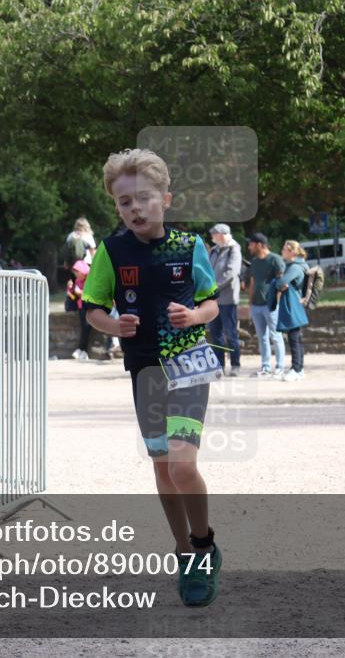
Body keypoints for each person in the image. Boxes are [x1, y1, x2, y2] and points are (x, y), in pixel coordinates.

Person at [82, 148, 222, 607]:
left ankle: (203, 545)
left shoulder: (190, 246)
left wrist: (193, 315)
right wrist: (113, 326)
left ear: (167, 199)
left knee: (183, 464)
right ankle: (183, 551)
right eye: (125, 202)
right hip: (144, 367)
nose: (135, 208)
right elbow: (94, 309)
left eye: (144, 198)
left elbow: (212, 304)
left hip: (188, 362)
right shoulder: (111, 250)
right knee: (163, 467)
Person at [244, 232, 285, 378]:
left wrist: (276, 301)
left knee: (276, 335)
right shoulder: (254, 262)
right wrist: (250, 303)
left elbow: (282, 283)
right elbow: (253, 283)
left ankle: (280, 366)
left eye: (251, 244)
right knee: (262, 337)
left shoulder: (275, 260)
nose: (249, 247)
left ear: (259, 245)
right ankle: (266, 367)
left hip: (271, 305)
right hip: (256, 306)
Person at [207, 223, 242, 376]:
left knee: (231, 334)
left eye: (214, 234)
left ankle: (235, 365)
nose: (212, 237)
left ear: (221, 235)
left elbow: (231, 272)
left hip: (227, 299)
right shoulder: (214, 250)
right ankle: (219, 366)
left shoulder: (234, 249)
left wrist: (214, 288)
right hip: (213, 300)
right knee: (216, 335)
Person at [274, 240, 309, 381]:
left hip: (294, 306)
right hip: (296, 305)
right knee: (296, 339)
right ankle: (299, 368)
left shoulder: (295, 267)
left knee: (294, 339)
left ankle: (296, 369)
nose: (282, 251)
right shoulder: (297, 265)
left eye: (284, 249)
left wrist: (279, 282)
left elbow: (281, 283)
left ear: (292, 252)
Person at [67, 260, 91, 360]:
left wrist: (80, 292)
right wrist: (70, 289)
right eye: (75, 274)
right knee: (84, 329)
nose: (76, 276)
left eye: (77, 273)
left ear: (82, 271)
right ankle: (82, 350)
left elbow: (88, 292)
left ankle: (82, 350)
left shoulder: (90, 278)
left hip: (89, 307)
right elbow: (75, 293)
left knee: (87, 329)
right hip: (81, 307)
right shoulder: (77, 281)